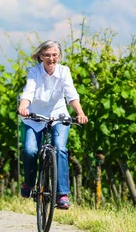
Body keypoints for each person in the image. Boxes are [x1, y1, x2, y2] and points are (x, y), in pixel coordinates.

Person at [16, 40, 88, 210]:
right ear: (40, 56)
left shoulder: (64, 71)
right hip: (35, 117)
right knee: (30, 150)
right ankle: (29, 183)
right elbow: (29, 91)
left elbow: (71, 94)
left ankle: (62, 194)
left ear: (59, 56)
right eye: (47, 55)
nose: (51, 58)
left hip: (58, 115)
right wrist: (23, 107)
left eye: (55, 55)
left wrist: (80, 112)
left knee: (60, 148)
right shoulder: (34, 71)